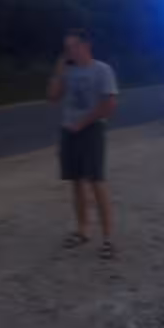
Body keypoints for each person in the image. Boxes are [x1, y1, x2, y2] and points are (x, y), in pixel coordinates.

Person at [47, 28, 119, 259]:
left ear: (85, 46)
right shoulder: (68, 71)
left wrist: (83, 123)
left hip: (91, 130)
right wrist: (58, 72)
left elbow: (109, 104)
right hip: (69, 130)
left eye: (73, 46)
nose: (69, 52)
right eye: (66, 48)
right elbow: (52, 97)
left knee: (96, 181)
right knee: (76, 181)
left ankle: (108, 238)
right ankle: (82, 230)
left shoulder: (102, 70)